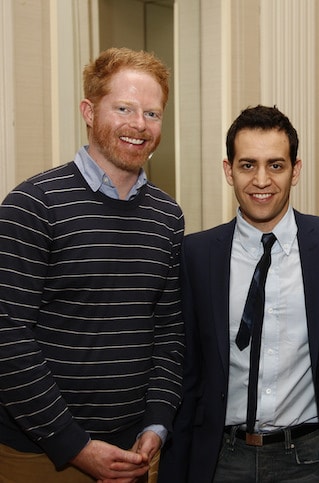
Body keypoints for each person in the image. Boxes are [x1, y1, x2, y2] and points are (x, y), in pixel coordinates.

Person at [0, 47, 184, 482]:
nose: (139, 125)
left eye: (153, 114)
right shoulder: (33, 204)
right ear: (88, 110)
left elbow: (169, 332)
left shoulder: (167, 216)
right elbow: (8, 338)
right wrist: (75, 446)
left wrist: (158, 423)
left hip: (135, 453)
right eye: (124, 108)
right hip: (43, 456)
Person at [158, 105, 319, 482]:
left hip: (312, 460)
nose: (261, 180)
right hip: (222, 459)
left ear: (296, 170)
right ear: (229, 170)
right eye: (247, 165)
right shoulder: (197, 254)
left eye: (276, 165)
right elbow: (187, 370)